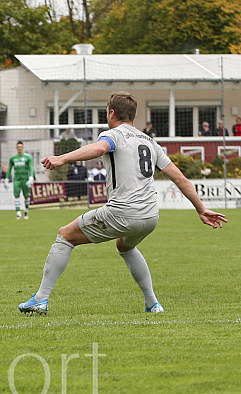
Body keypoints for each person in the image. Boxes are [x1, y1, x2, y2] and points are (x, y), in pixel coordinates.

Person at [18, 91, 227, 315]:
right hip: (150, 217)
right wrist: (201, 209)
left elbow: (100, 148)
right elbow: (180, 178)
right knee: (125, 246)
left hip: (123, 212)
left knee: (65, 236)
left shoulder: (113, 135)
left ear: (112, 113)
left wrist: (62, 158)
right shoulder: (150, 142)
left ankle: (40, 299)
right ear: (133, 116)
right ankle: (152, 303)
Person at [4, 141, 34, 219]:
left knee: (26, 196)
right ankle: (18, 213)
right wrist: (6, 179)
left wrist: (31, 177)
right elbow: (9, 169)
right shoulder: (13, 158)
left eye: (21, 147)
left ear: (23, 148)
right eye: (18, 147)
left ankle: (26, 211)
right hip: (17, 180)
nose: (20, 148)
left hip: (25, 180)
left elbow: (31, 168)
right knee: (16, 196)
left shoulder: (28, 157)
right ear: (16, 148)